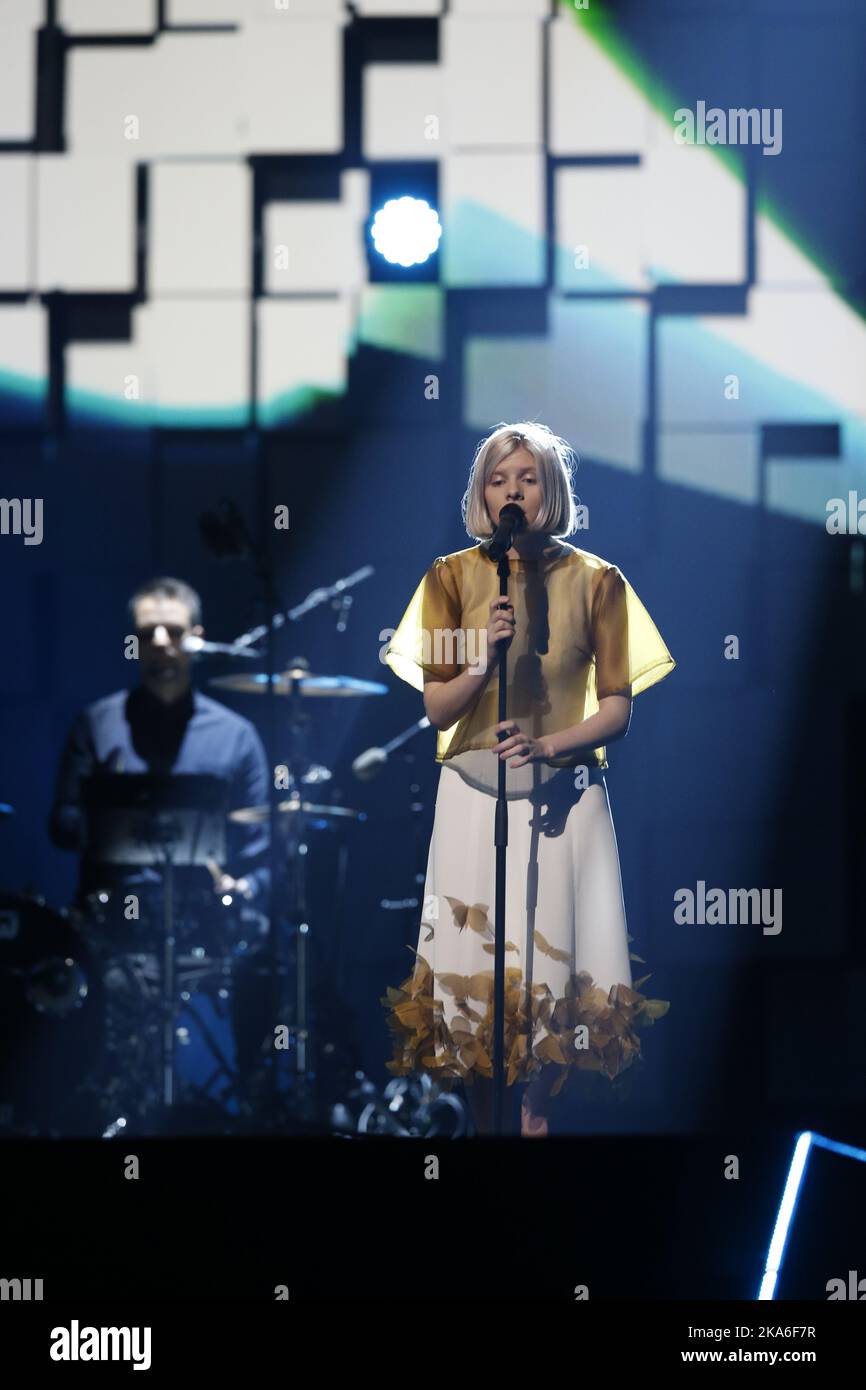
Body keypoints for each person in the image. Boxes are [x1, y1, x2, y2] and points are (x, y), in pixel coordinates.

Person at [380, 422, 675, 1137]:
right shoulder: (449, 578)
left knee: (557, 967)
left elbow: (616, 710)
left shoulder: (598, 581)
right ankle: (484, 1125)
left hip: (566, 799)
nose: (512, 491)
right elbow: (437, 708)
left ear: (552, 490)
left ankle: (536, 1118)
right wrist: (482, 659)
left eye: (528, 478)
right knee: (478, 968)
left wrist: (549, 746)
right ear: (482, 493)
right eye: (498, 479)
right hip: (474, 799)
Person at [49, 575, 270, 913]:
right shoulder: (96, 725)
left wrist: (244, 887)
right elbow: (61, 824)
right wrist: (109, 817)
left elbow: (262, 851)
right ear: (134, 643)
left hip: (205, 925)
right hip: (113, 921)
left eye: (175, 631)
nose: (161, 642)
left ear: (197, 640)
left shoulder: (236, 736)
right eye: (147, 633)